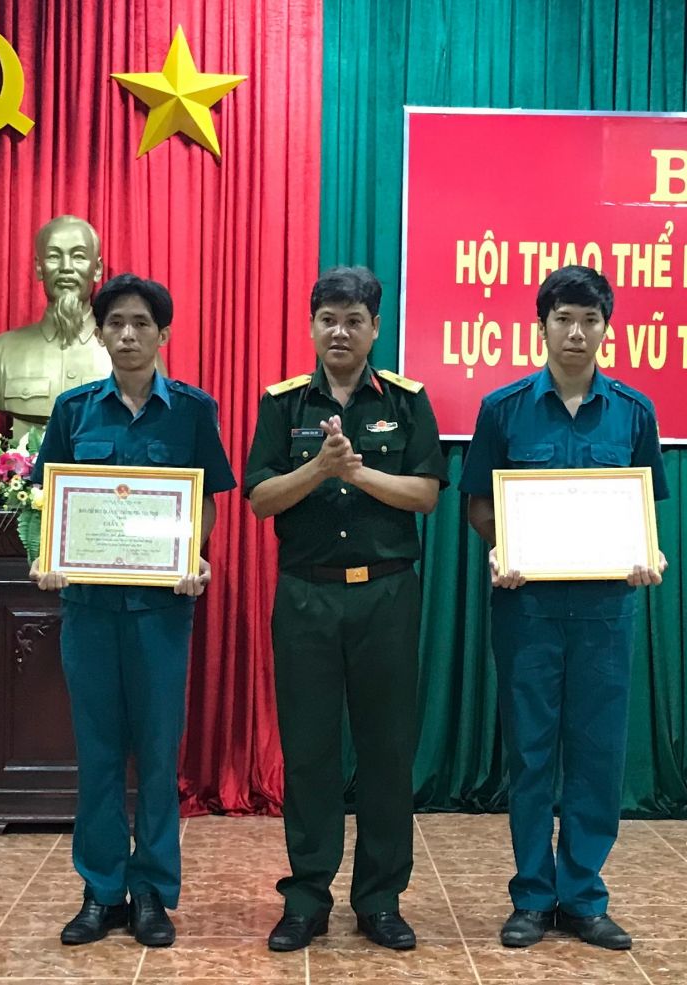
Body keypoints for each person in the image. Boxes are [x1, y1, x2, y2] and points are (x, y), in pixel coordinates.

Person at [459, 264, 669, 951]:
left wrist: (648, 554)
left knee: (597, 757)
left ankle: (583, 897)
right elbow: (479, 506)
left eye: (589, 320)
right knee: (530, 754)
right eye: (563, 319)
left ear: (606, 328)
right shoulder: (503, 409)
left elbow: (643, 510)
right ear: (542, 325)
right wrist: (503, 545)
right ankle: (531, 896)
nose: (576, 333)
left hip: (607, 613)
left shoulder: (634, 412)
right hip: (529, 610)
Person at [28, 273, 236, 948]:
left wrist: (193, 555)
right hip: (89, 610)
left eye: (141, 323)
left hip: (160, 612)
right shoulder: (73, 410)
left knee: (155, 754)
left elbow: (205, 498)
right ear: (100, 332)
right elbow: (49, 498)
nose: (127, 334)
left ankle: (151, 891)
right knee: (96, 755)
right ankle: (100, 891)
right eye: (115, 322)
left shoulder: (193, 410)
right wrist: (47, 555)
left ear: (163, 333)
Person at [244, 266, 448, 952]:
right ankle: (306, 898)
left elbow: (425, 494)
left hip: (386, 594)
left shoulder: (408, 402)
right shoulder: (283, 405)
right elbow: (260, 499)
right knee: (308, 751)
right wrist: (319, 469)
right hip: (306, 596)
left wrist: (357, 471)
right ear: (312, 326)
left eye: (354, 320)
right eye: (328, 319)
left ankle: (381, 900)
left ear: (375, 328)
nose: (340, 331)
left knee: (387, 750)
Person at [0, 215, 112, 437]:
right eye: (54, 256)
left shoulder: (135, 356)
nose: (66, 267)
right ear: (38, 267)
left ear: (97, 269)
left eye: (78, 256)